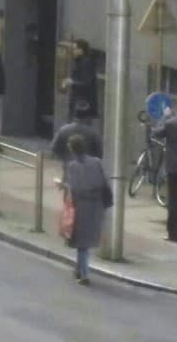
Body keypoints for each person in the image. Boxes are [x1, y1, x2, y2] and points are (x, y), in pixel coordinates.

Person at [62, 134, 110, 285]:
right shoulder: (96, 162)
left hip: (81, 206)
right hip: (96, 205)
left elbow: (74, 187)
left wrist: (62, 186)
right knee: (84, 241)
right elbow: (104, 182)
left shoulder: (72, 166)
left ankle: (84, 274)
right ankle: (79, 269)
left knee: (81, 243)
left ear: (72, 149)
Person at [153, 96, 177, 243]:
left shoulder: (170, 124)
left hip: (174, 168)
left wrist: (165, 116)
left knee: (173, 202)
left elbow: (155, 133)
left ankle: (173, 235)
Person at [64, 39, 98, 124]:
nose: (73, 51)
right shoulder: (78, 62)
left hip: (83, 103)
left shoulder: (86, 63)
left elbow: (87, 83)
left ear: (81, 50)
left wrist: (72, 82)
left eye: (75, 49)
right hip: (78, 100)